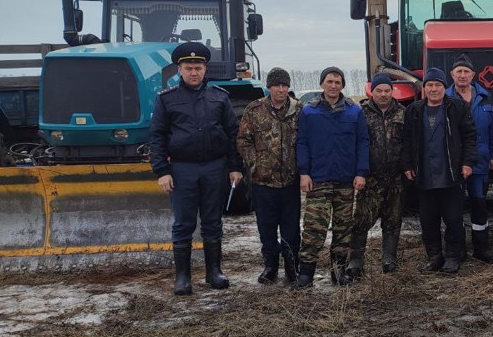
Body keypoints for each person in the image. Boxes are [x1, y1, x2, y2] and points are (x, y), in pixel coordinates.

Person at [149, 42, 243, 296]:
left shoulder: (219, 97)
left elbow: (232, 134)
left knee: (213, 222)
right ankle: (183, 277)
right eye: (189, 67)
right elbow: (157, 137)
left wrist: (234, 167)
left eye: (198, 67)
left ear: (205, 69)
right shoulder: (167, 101)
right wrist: (162, 171)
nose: (194, 72)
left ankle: (214, 273)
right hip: (182, 170)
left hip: (215, 167)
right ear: (179, 69)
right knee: (184, 223)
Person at [295, 66, 370, 287]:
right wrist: (303, 173)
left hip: (346, 180)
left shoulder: (354, 111)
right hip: (318, 179)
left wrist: (361, 173)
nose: (333, 86)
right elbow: (302, 143)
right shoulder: (309, 111)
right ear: (322, 84)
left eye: (337, 82)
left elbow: (363, 142)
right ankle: (306, 273)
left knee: (343, 227)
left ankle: (338, 271)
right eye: (329, 81)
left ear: (342, 85)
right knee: (314, 228)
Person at [401, 67, 476, 274]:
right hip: (424, 176)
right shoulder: (414, 111)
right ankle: (434, 256)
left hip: (451, 174)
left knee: (453, 219)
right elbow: (407, 140)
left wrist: (468, 162)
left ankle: (453, 256)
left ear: (444, 87)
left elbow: (470, 136)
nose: (434, 89)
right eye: (430, 85)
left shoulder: (457, 107)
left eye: (438, 85)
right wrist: (407, 165)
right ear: (424, 88)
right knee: (428, 221)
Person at [237, 67, 302, 287]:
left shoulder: (298, 110)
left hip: (290, 181)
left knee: (291, 228)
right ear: (269, 87)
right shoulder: (254, 110)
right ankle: (270, 266)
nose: (281, 90)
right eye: (277, 85)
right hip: (263, 182)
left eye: (285, 85)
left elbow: (306, 140)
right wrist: (254, 162)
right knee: (266, 227)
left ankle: (293, 267)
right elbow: (243, 140)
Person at [347, 73, 406, 280]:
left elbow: (409, 145)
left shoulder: (403, 113)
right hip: (370, 178)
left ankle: (389, 258)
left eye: (387, 91)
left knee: (393, 220)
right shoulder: (360, 113)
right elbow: (353, 144)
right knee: (361, 220)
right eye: (379, 90)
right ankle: (355, 261)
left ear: (392, 91)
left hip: (395, 178)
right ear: (372, 91)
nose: (383, 94)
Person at [445, 54, 493, 263]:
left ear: (473, 75)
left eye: (466, 71)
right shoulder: (445, 98)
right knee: (454, 208)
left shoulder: (485, 97)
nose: (462, 75)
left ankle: (481, 248)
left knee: (479, 204)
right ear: (452, 75)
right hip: (455, 162)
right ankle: (457, 250)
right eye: (458, 71)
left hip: (480, 162)